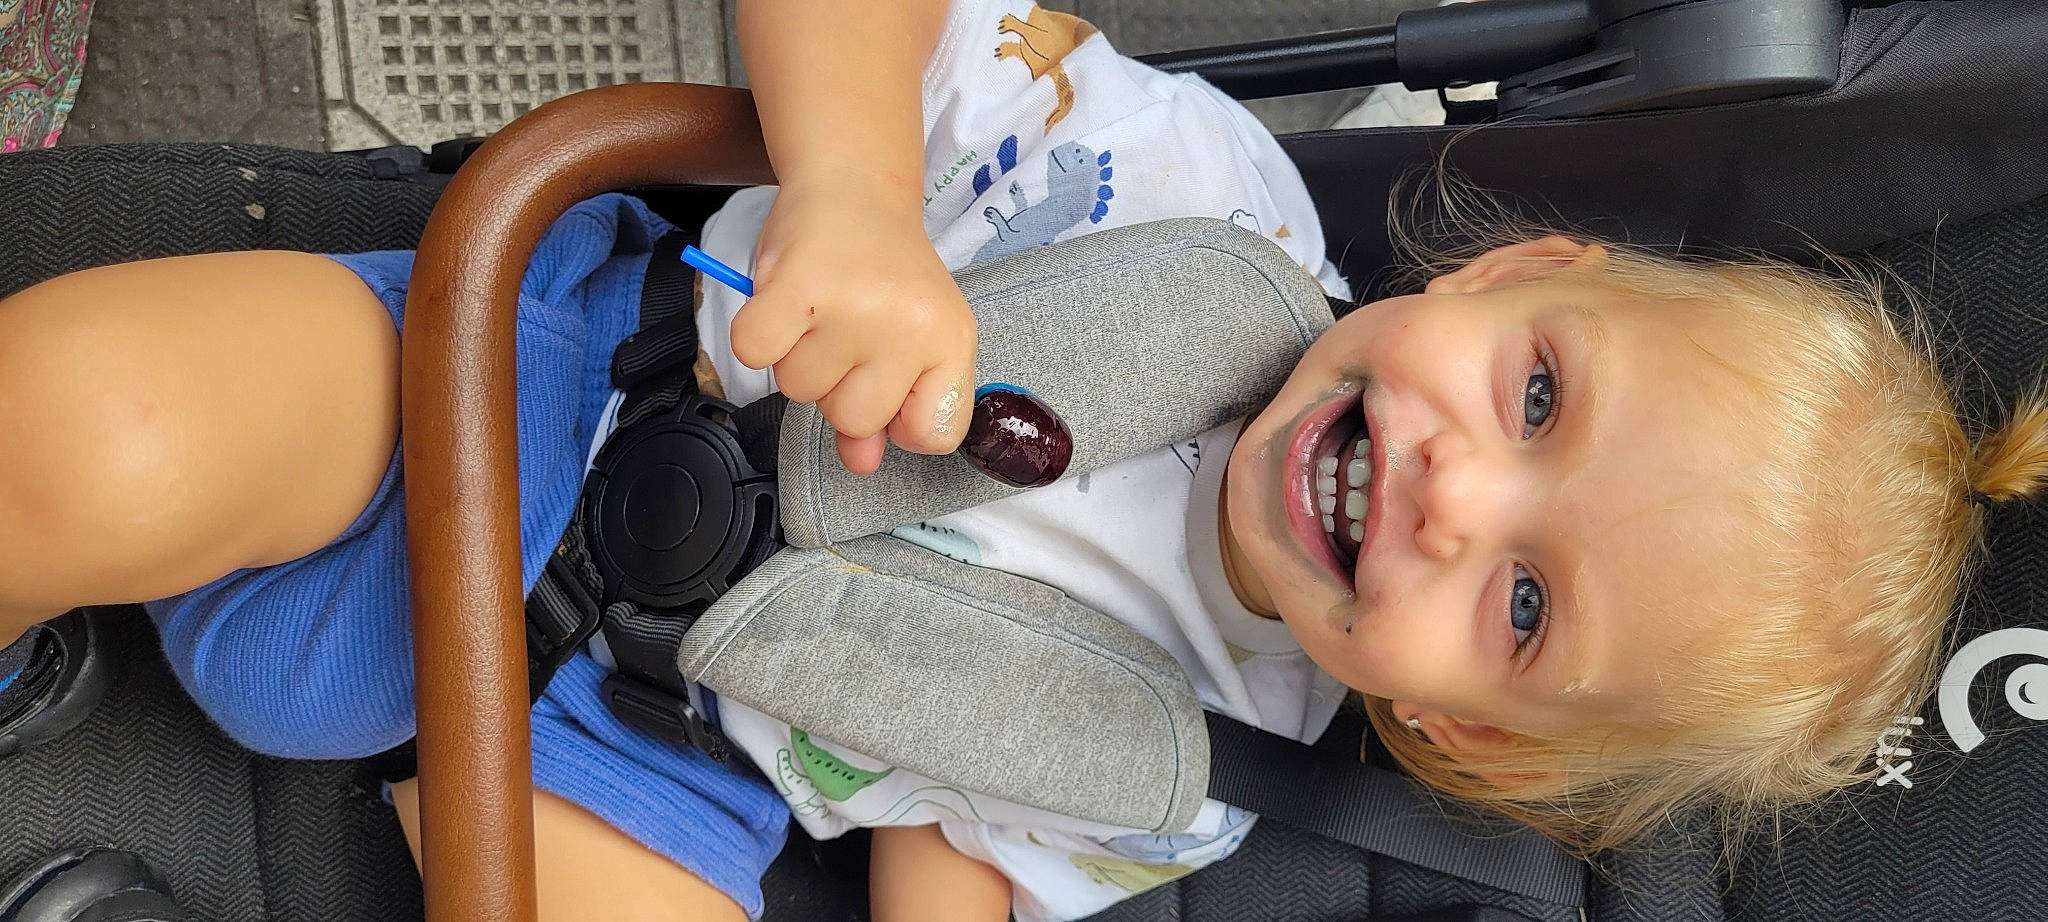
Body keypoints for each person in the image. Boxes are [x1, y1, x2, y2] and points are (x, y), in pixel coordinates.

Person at [0, 2, 2041, 922]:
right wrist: (867, 197)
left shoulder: (1194, 767)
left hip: (652, 760)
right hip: (540, 375)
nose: (1446, 493)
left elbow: (952, 853)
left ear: (1466, 729)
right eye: (1532, 401)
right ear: (1519, 264)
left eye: (1520, 595)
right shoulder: (1170, 193)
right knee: (69, 435)